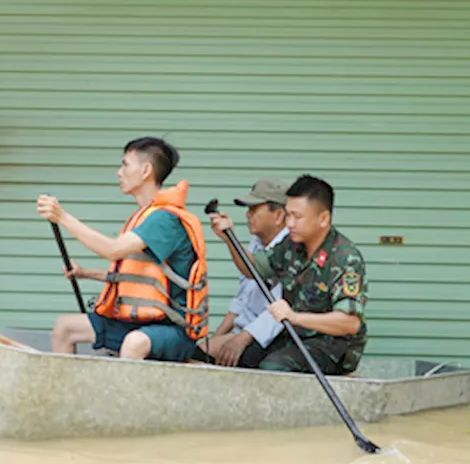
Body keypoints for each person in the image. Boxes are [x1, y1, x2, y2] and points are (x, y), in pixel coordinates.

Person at [37, 138, 210, 362]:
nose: (119, 172)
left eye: (125, 165)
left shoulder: (164, 219)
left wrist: (62, 217)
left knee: (134, 342)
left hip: (172, 331)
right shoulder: (144, 215)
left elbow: (113, 250)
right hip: (137, 324)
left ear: (146, 170)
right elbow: (136, 277)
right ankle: (63, 395)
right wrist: (84, 273)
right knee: (65, 327)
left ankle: (121, 397)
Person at [209, 175, 367, 374]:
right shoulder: (292, 246)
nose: (289, 223)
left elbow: (349, 323)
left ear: (323, 219)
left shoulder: (345, 258)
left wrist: (295, 317)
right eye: (288, 215)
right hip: (294, 337)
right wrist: (230, 239)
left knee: (274, 367)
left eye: (297, 216)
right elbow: (253, 269)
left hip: (332, 346)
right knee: (242, 357)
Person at [206, 178, 289, 368]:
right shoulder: (257, 244)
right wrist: (216, 338)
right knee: (197, 354)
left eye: (254, 209)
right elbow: (242, 300)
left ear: (278, 215)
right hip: (244, 333)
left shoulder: (289, 249)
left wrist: (240, 340)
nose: (248, 215)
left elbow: (280, 311)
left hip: (269, 338)